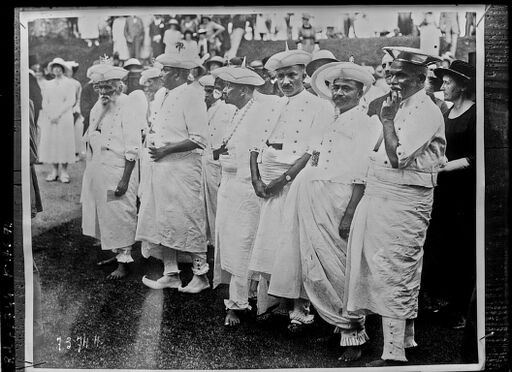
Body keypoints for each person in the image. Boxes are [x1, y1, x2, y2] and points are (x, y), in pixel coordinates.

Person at [343, 47, 446, 367]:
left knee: (395, 270)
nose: (393, 79)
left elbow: (398, 158)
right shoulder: (397, 104)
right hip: (380, 194)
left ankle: (394, 354)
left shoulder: (427, 111)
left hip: (405, 199)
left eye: (401, 74)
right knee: (385, 267)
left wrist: (386, 121)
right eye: (391, 73)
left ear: (420, 77)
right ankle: (407, 339)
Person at [277, 61, 381, 360]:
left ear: (360, 92)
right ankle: (336, 322)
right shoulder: (328, 120)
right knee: (316, 263)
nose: (338, 92)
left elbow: (363, 172)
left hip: (343, 198)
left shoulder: (367, 122)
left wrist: (351, 212)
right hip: (316, 196)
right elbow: (316, 157)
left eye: (346, 88)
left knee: (343, 265)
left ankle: (354, 333)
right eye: (335, 87)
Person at [248, 48, 334, 331]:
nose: (286, 81)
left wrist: (282, 180)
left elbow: (312, 150)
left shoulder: (318, 105)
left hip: (296, 178)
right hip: (268, 175)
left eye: (292, 75)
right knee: (272, 240)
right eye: (281, 76)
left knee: (296, 241)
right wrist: (257, 179)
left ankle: (301, 305)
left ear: (304, 76)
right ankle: (276, 302)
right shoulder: (271, 104)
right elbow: (256, 144)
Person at [212, 65, 282, 327]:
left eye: (229, 86)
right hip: (229, 185)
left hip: (246, 188)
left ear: (244, 90)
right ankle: (241, 296)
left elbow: (256, 151)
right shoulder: (235, 112)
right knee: (230, 242)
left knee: (243, 243)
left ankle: (241, 302)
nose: (224, 90)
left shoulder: (261, 111)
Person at [136, 49, 210, 293]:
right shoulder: (160, 94)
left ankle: (201, 275)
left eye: (166, 70)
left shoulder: (192, 95)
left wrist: (167, 150)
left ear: (179, 73)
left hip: (183, 167)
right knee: (163, 218)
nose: (161, 74)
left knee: (188, 217)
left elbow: (199, 139)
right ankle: (171, 273)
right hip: (160, 167)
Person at [422, 60, 476, 328]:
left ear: (463, 85)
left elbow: (479, 157)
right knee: (444, 244)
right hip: (443, 191)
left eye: (448, 82)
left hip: (464, 192)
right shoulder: (446, 113)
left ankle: (462, 310)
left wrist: (447, 166)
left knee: (464, 247)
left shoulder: (475, 114)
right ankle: (447, 301)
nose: (443, 86)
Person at [80, 60, 142, 279]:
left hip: (119, 168)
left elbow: (133, 143)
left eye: (107, 86)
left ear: (118, 85)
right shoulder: (99, 105)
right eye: (99, 86)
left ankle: (125, 261)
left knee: (120, 212)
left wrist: (125, 179)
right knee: (106, 213)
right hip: (100, 167)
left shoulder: (128, 104)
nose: (103, 91)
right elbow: (92, 134)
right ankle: (115, 253)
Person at [198, 74, 237, 248]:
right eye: (203, 91)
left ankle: (219, 242)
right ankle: (207, 241)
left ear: (217, 92)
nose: (205, 95)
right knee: (202, 204)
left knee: (218, 204)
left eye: (208, 91)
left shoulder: (228, 109)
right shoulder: (200, 110)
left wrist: (217, 154)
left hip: (218, 163)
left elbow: (231, 138)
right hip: (202, 162)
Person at [38, 57, 76, 183]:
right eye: (55, 67)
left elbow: (71, 100)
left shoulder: (70, 83)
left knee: (64, 142)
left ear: (63, 69)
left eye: (59, 67)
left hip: (64, 116)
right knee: (52, 142)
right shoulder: (47, 84)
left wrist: (58, 114)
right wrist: (50, 114)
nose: (57, 69)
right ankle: (54, 171)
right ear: (52, 70)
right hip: (50, 117)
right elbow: (45, 101)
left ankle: (64, 172)